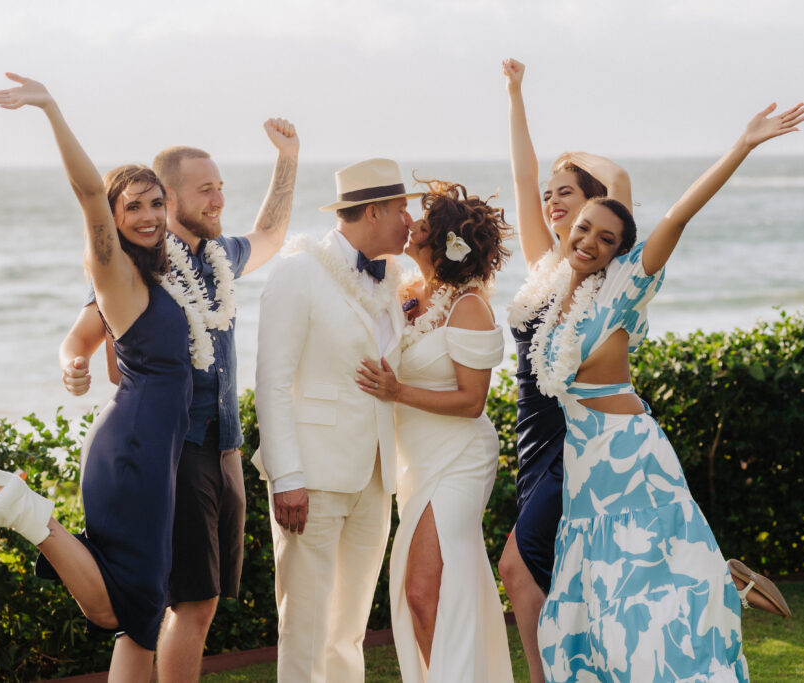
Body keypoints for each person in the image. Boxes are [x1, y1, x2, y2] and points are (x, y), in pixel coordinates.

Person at [533, 101, 804, 682]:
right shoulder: (554, 291)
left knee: (647, 605)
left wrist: (742, 144)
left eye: (606, 238)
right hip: (586, 469)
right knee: (596, 604)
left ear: (617, 251)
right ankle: (719, 574)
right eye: (583, 227)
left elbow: (678, 217)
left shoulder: (624, 289)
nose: (589, 241)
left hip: (632, 457)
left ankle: (713, 580)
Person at [0, 73, 198, 682]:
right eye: (133, 206)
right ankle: (28, 512)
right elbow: (90, 192)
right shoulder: (113, 268)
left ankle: (29, 512)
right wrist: (51, 109)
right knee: (130, 608)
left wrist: (74, 358)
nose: (146, 216)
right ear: (114, 221)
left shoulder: (148, 279)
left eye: (154, 202)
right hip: (136, 451)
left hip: (147, 449)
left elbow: (81, 335)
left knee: (128, 613)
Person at [59, 124, 298, 682]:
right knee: (187, 602)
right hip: (175, 448)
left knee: (202, 603)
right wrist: (73, 362)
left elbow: (269, 233)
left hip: (225, 447)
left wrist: (288, 158)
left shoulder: (221, 257)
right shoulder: (143, 265)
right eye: (205, 190)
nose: (219, 199)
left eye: (219, 187)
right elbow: (85, 330)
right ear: (170, 201)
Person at [253, 158, 417, 682]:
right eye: (401, 210)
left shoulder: (393, 279)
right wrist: (288, 478)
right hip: (313, 479)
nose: (410, 220)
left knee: (347, 630)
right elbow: (272, 380)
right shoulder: (297, 271)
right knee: (304, 625)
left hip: (375, 477)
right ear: (373, 211)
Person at [498, 57, 634, 683]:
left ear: (594, 206)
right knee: (535, 576)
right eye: (550, 195)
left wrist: (574, 152)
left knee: (517, 565)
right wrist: (515, 94)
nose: (551, 201)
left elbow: (620, 180)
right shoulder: (541, 264)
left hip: (572, 434)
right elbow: (523, 177)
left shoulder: (600, 271)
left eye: (567, 192)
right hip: (530, 433)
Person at [355, 181, 515, 682]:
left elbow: (472, 402)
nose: (410, 227)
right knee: (425, 594)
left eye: (420, 225)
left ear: (442, 242)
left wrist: (396, 392)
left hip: (459, 457)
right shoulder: (408, 294)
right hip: (416, 458)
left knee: (423, 590)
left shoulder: (469, 306)